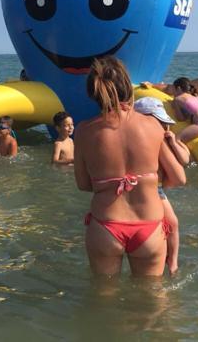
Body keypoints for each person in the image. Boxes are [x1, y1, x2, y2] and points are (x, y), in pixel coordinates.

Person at [74, 57, 186, 277]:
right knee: (154, 303)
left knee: (103, 299)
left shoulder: (84, 131)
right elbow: (178, 178)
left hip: (106, 225)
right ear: (128, 88)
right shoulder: (152, 126)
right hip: (149, 226)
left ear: (94, 93)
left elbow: (83, 184)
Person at [134, 97, 190, 275]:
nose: (164, 127)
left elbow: (185, 159)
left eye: (165, 123)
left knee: (172, 224)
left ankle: (172, 261)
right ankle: (172, 262)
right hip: (153, 190)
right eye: (160, 122)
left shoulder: (165, 139)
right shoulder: (141, 139)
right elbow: (180, 178)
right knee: (172, 223)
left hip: (156, 187)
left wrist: (173, 141)